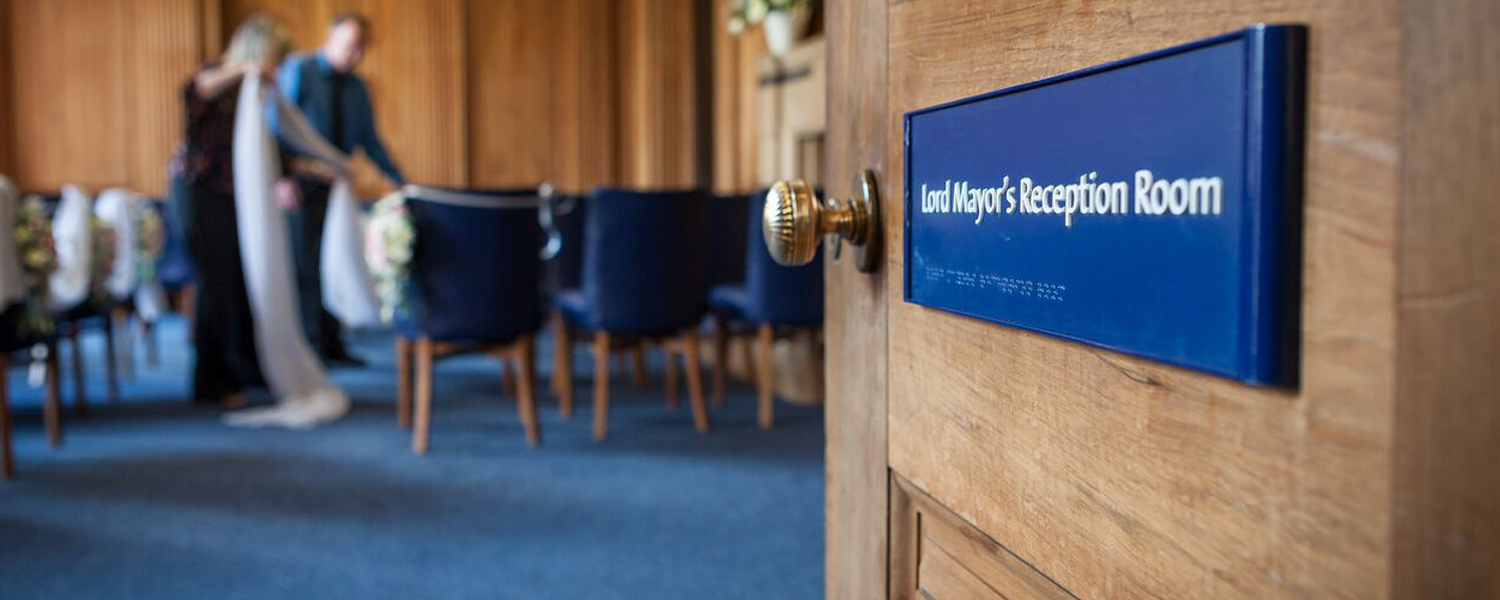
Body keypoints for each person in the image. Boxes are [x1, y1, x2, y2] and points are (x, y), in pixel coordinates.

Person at [170, 14, 293, 406]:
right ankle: (210, 380)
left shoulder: (254, 91)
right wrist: (245, 70)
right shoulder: (217, 75)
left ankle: (246, 368)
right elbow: (196, 90)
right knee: (216, 283)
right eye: (274, 56)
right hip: (199, 192)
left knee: (241, 281)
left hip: (231, 196)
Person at [274, 12, 404, 366]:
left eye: (360, 48)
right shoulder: (300, 71)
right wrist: (281, 177)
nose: (355, 54)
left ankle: (334, 344)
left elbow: (370, 142)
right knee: (305, 264)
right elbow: (279, 127)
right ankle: (310, 346)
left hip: (337, 187)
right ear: (331, 39)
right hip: (301, 184)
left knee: (336, 261)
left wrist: (402, 182)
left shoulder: (358, 87)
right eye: (349, 46)